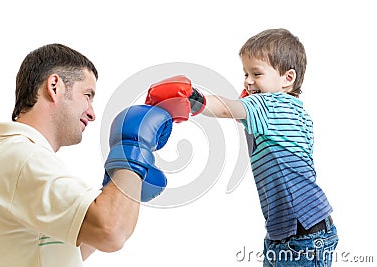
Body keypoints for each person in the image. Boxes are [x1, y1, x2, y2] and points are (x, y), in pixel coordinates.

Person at [144, 28, 339, 266]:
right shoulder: (296, 112)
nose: (248, 81)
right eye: (245, 73)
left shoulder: (269, 104)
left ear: (288, 78)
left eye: (256, 73)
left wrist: (191, 98)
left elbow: (227, 108)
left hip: (301, 234)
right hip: (295, 230)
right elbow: (243, 114)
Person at [0, 43, 173, 266]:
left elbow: (65, 252)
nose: (92, 113)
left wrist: (124, 190)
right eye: (87, 95)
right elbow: (111, 232)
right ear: (54, 86)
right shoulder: (24, 158)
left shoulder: (12, 157)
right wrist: (132, 150)